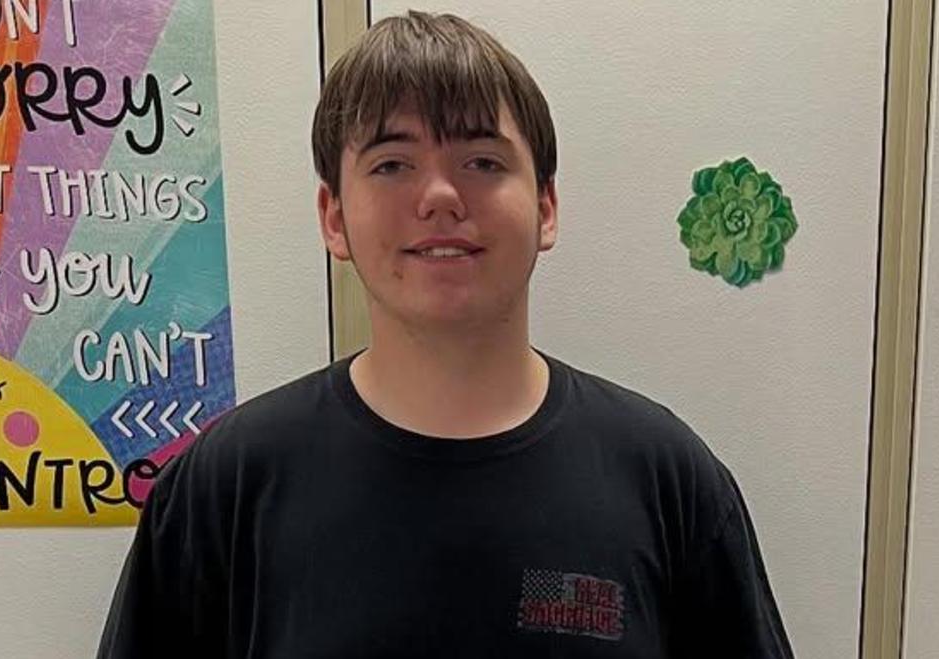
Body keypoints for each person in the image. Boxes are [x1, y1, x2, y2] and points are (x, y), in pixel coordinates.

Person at [97, 11, 793, 658]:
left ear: (546, 207)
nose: (439, 196)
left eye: (483, 162)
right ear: (333, 216)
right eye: (392, 164)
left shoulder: (667, 479)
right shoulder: (226, 486)